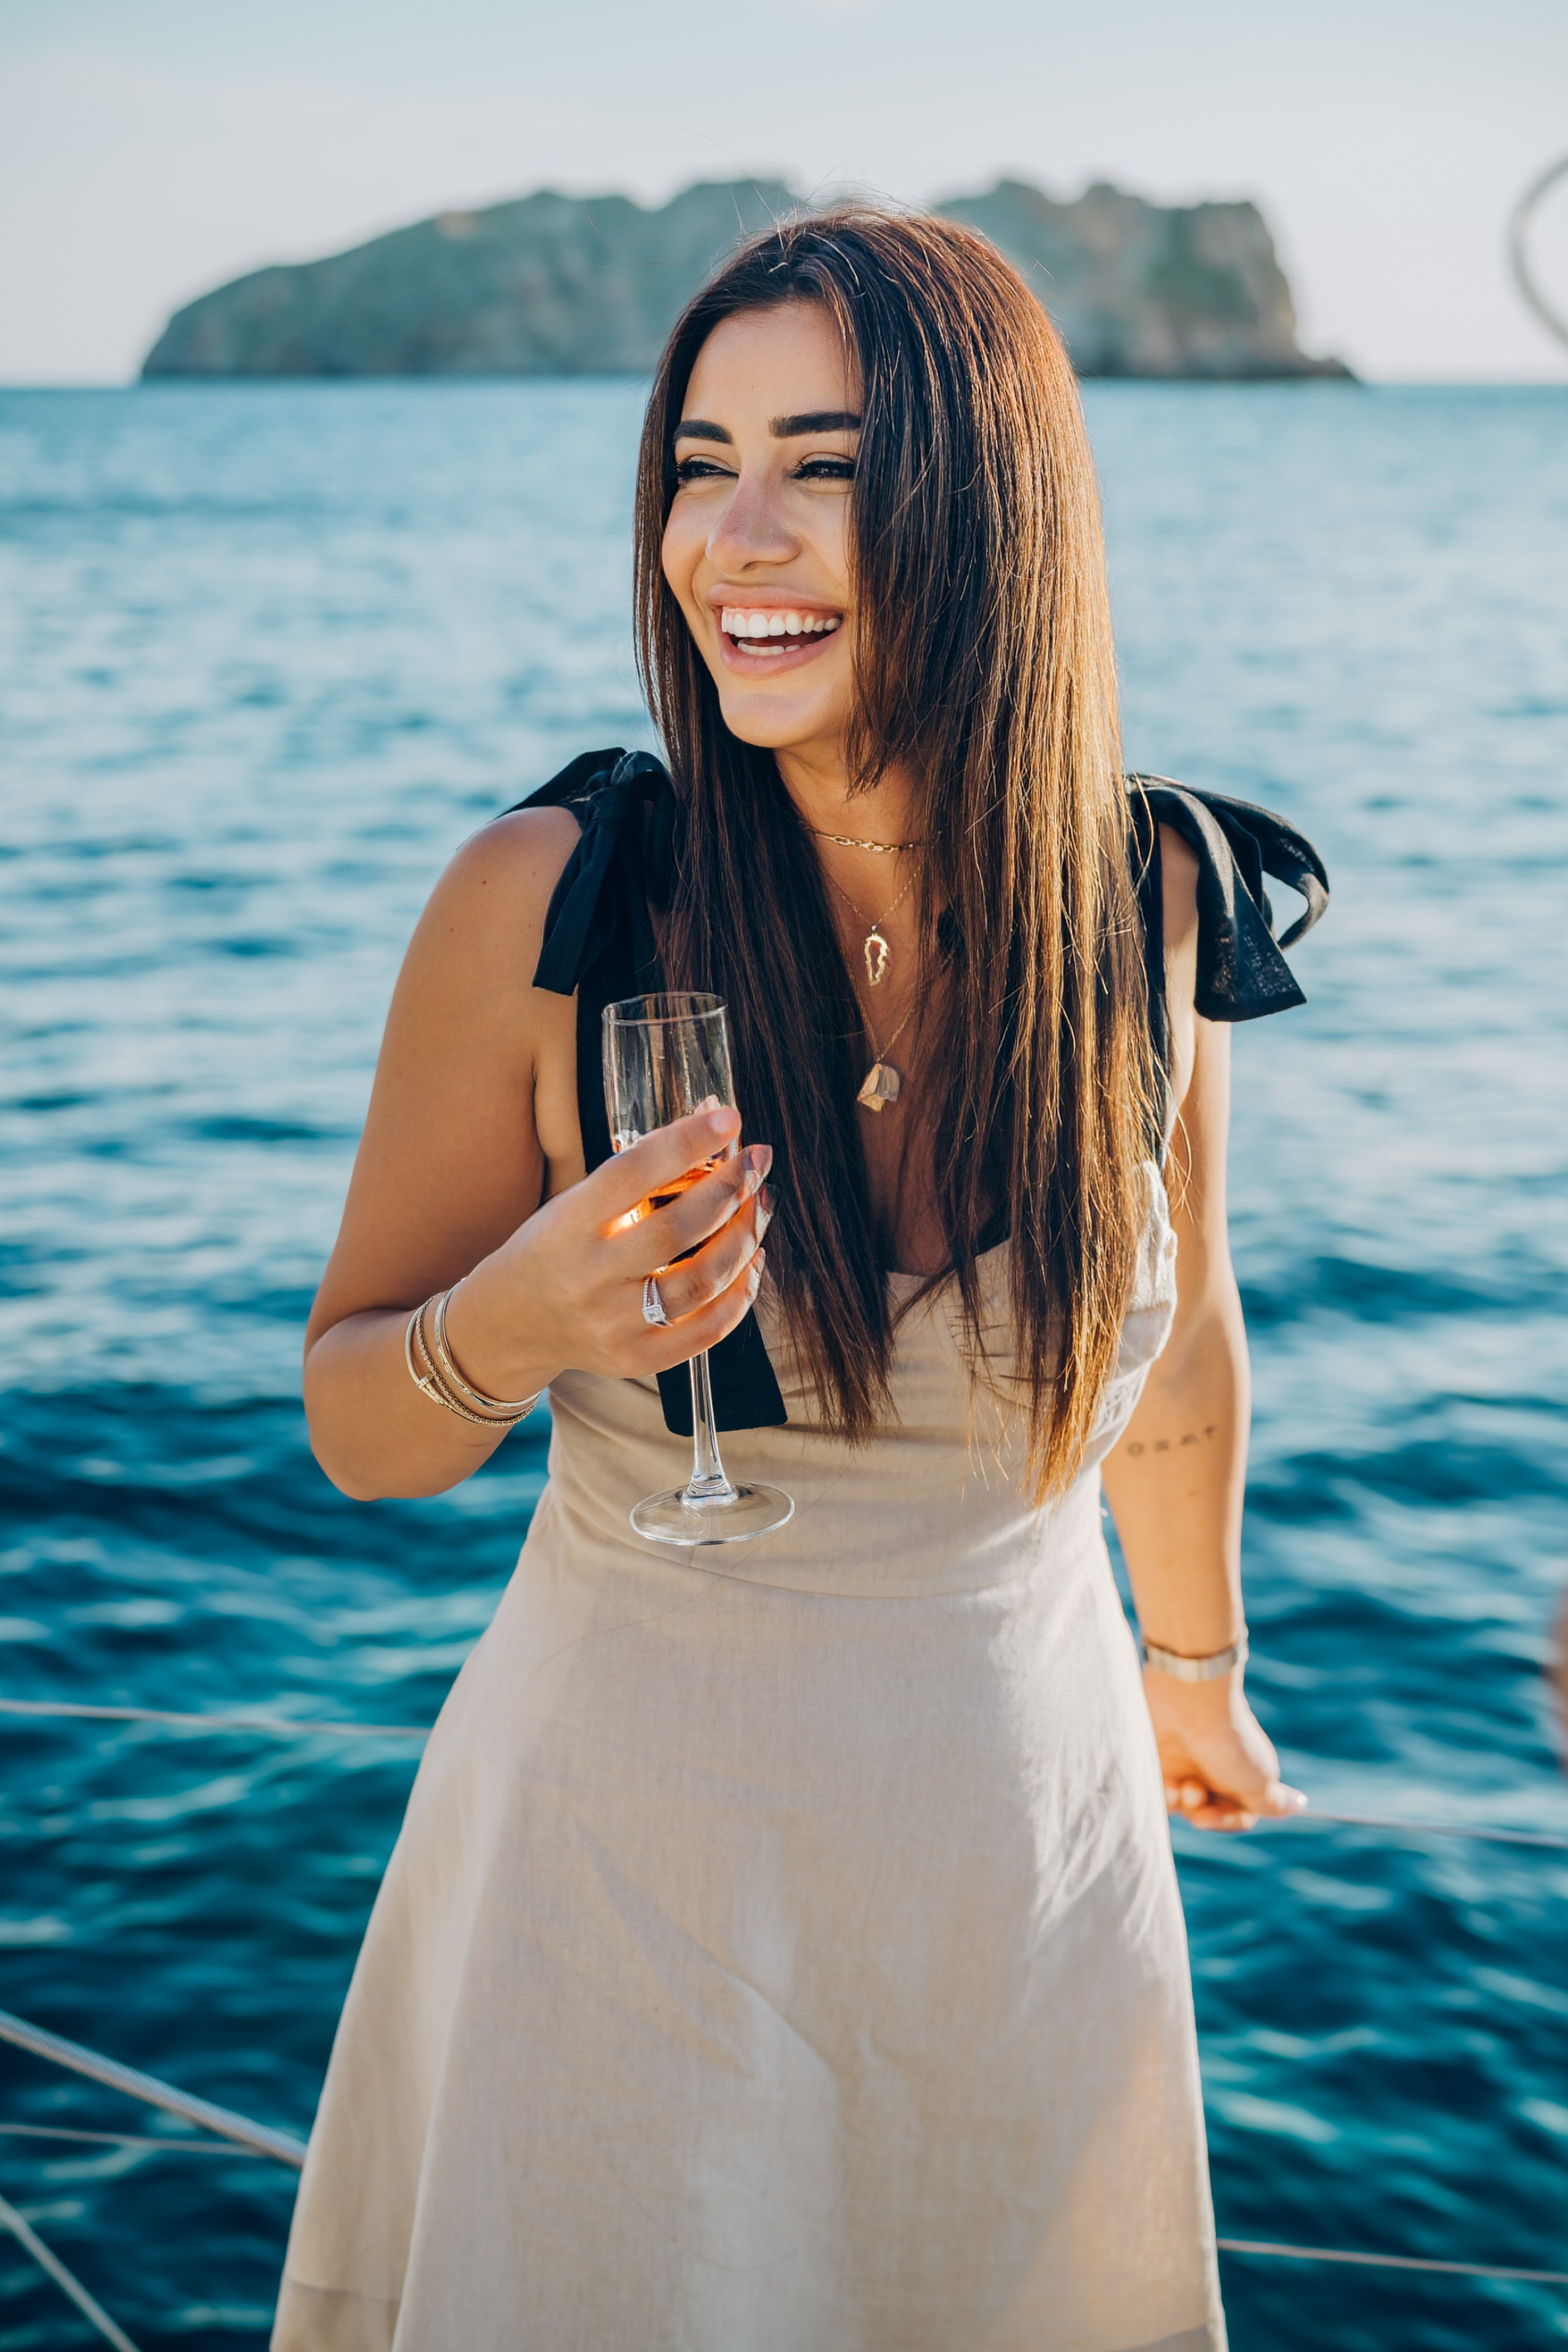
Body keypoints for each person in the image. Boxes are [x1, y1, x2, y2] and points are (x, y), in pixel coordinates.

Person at [273, 208, 1327, 2352]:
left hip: (1028, 1877)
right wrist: (519, 1330)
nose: (732, 537)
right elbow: (357, 1420)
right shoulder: (552, 903)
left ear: (992, 507)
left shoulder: (1151, 903)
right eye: (697, 463)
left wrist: (1197, 1667)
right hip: (625, 1888)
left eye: (825, 468)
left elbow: (1186, 1326)